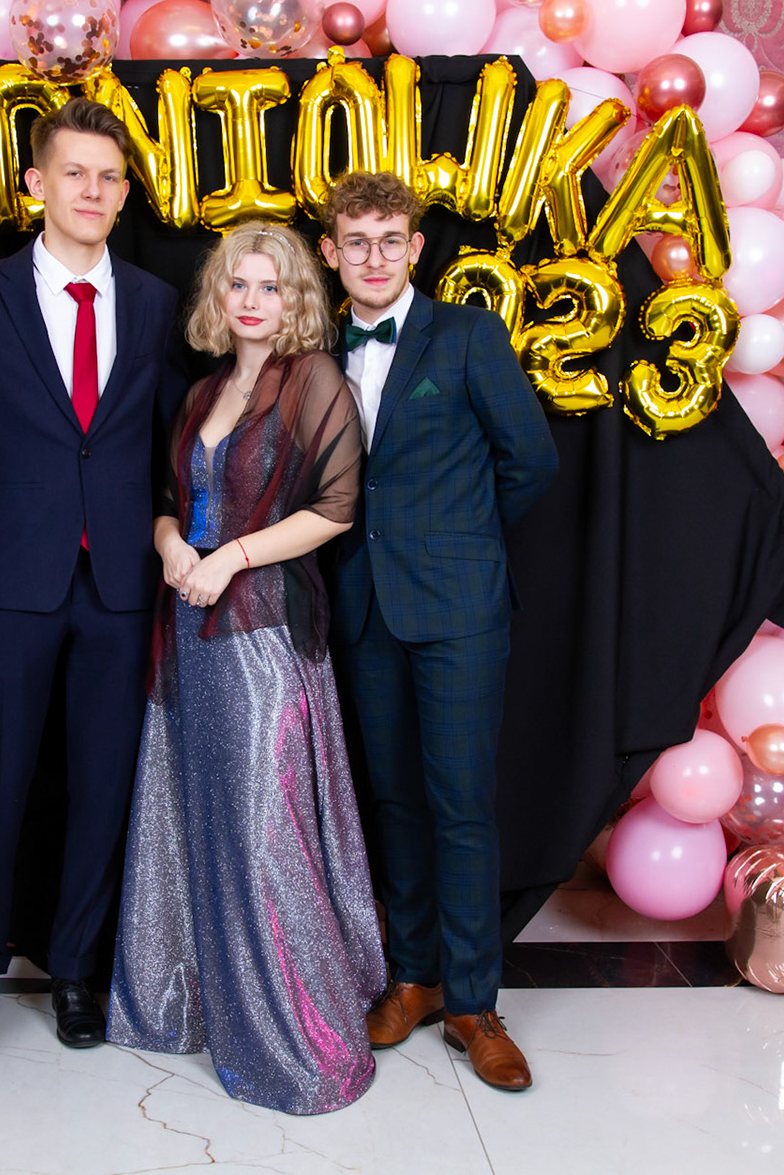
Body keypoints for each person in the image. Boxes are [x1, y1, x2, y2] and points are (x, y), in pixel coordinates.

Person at [108, 223, 385, 1115]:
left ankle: (303, 1040)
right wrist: (170, 548)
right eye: (239, 285)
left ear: (295, 297)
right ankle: (202, 1002)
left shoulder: (312, 381)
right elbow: (169, 502)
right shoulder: (201, 393)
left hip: (264, 632)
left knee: (267, 828)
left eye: (271, 286)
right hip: (189, 630)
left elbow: (336, 508)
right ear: (218, 297)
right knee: (199, 815)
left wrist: (229, 558)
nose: (254, 301)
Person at [0, 99, 188, 1049]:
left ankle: (78, 968)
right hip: (11, 576)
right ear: (37, 184)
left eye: (109, 177)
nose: (93, 190)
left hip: (121, 582)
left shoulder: (156, 301)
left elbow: (169, 442)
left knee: (104, 780)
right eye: (75, 173)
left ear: (125, 195)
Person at [320, 170, 559, 1092]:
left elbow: (529, 461)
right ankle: (413, 978)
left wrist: (461, 544)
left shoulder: (466, 336)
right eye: (357, 242)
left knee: (460, 804)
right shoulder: (318, 344)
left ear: (415, 249)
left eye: (391, 241)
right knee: (392, 801)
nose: (375, 257)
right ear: (332, 253)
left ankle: (473, 1002)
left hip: (458, 606)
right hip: (362, 603)